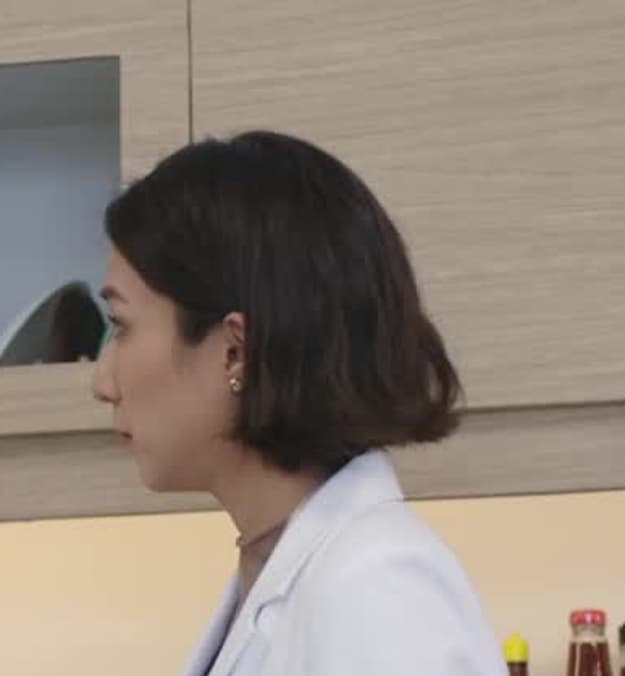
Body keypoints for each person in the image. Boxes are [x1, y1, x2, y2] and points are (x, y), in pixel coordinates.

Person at [91, 131, 501, 675]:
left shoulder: (378, 589)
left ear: (235, 351)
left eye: (121, 326)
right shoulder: (294, 569)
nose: (102, 382)